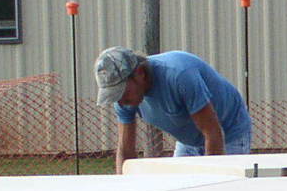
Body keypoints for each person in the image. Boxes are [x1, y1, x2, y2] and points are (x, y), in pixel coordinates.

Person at [94, 47, 252, 171]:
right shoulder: (124, 99)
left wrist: (211, 182)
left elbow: (213, 133)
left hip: (228, 131)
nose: (120, 100)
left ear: (140, 73)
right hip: (189, 141)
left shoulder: (179, 76)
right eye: (115, 95)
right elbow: (126, 149)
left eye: (122, 92)